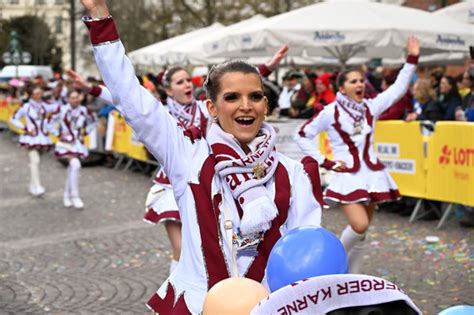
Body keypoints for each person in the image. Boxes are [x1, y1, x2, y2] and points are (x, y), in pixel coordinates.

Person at [80, 1, 323, 313]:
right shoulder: (187, 155)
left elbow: (306, 256)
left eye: (255, 96)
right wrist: (101, 20)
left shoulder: (295, 174)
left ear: (266, 105)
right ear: (212, 108)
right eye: (232, 97)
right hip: (198, 305)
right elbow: (133, 99)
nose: (245, 106)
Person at [67, 46, 288, 274]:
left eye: (187, 80)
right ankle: (178, 298)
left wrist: (269, 66)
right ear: (169, 91)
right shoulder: (162, 113)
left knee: (213, 249)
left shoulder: (205, 109)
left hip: (208, 183)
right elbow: (125, 97)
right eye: (180, 82)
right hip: (172, 187)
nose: (187, 85)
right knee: (181, 249)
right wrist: (90, 88)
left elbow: (238, 87)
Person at [295, 36, 420, 274]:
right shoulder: (330, 111)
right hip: (347, 175)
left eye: (361, 80)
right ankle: (332, 262)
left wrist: (412, 58)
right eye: (353, 81)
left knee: (362, 234)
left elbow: (399, 88)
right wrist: (326, 161)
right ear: (342, 88)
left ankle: (352, 278)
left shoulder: (371, 107)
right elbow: (301, 135)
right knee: (359, 225)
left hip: (372, 175)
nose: (359, 84)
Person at [50, 90, 96, 208]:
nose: (75, 100)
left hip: (78, 143)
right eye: (72, 97)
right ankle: (75, 196)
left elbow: (93, 122)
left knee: (72, 168)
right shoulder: (61, 109)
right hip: (65, 144)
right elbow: (48, 121)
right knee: (75, 165)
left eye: (77, 97)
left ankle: (66, 194)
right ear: (68, 99)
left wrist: (85, 132)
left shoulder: (84, 110)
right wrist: (58, 133)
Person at [10, 87, 59, 196]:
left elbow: (58, 109)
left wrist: (54, 98)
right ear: (31, 95)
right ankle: (37, 186)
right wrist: (25, 128)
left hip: (43, 138)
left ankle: (32, 186)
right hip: (31, 138)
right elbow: (13, 118)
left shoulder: (44, 106)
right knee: (35, 161)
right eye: (36, 93)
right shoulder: (26, 107)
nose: (39, 95)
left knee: (36, 162)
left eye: (40, 93)